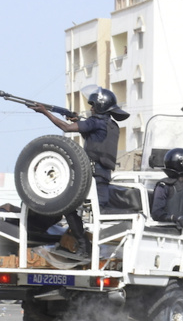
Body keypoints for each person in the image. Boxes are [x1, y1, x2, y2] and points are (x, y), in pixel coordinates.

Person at [32, 86, 129, 258]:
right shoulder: (112, 125)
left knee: (69, 208)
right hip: (103, 175)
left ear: (100, 106)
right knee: (101, 211)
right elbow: (94, 140)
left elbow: (66, 128)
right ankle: (89, 246)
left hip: (92, 176)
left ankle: (85, 247)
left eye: (93, 105)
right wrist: (78, 120)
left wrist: (45, 112)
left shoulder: (96, 121)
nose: (90, 108)